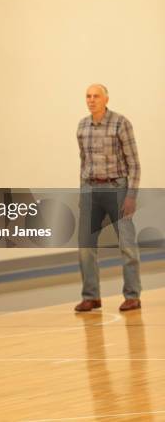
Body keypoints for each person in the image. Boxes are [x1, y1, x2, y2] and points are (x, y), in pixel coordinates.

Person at [75, 84, 141, 313]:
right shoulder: (82, 126)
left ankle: (132, 295)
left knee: (127, 244)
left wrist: (131, 195)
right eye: (88, 96)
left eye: (96, 96)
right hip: (91, 190)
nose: (91, 100)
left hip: (117, 188)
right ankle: (91, 296)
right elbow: (84, 163)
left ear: (106, 99)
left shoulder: (120, 123)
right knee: (85, 244)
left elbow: (134, 163)